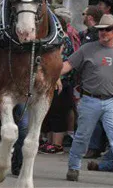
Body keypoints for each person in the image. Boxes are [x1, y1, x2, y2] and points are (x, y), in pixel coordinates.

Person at [60, 14, 113, 186]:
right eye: (101, 29)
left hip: (112, 101)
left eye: (108, 29)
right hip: (90, 100)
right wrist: (53, 73)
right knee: (82, 136)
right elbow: (68, 65)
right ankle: (73, 166)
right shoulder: (86, 48)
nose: (104, 32)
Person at [39, 14, 75, 155]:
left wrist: (56, 77)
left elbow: (61, 62)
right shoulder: (55, 39)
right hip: (52, 80)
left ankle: (57, 144)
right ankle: (49, 141)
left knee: (58, 112)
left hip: (62, 82)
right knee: (50, 111)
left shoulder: (63, 40)